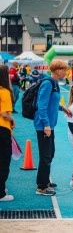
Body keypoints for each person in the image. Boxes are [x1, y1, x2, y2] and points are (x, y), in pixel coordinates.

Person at [35, 59, 72, 196]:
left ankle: (45, 180)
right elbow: (42, 105)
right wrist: (46, 124)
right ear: (56, 70)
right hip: (44, 125)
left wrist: (62, 108)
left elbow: (52, 103)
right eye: (63, 69)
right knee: (45, 155)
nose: (65, 72)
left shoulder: (55, 83)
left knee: (50, 153)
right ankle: (41, 186)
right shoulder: (47, 83)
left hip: (50, 125)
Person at [0, 65, 15, 201]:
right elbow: (4, 114)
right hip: (2, 130)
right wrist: (12, 119)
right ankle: (1, 193)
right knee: (4, 161)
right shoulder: (4, 92)